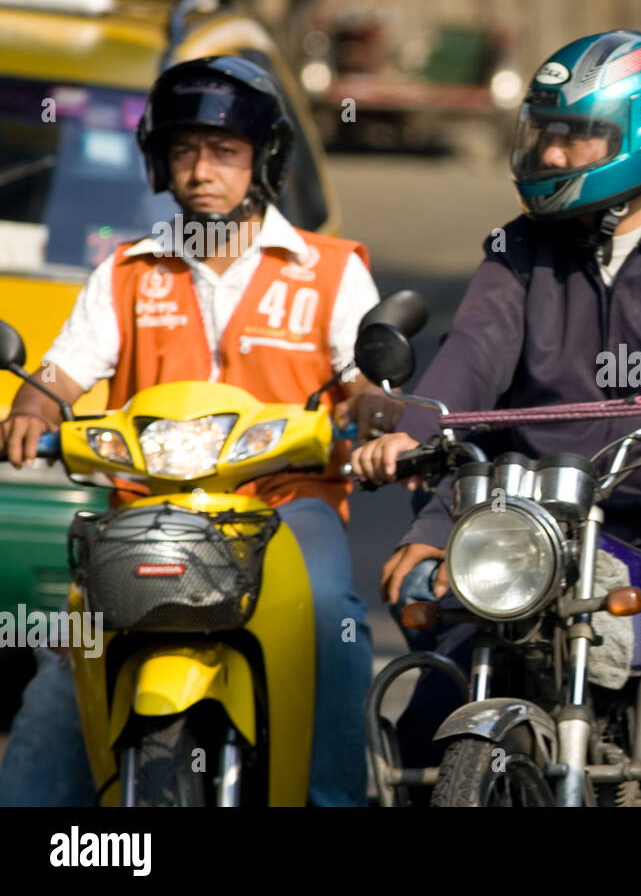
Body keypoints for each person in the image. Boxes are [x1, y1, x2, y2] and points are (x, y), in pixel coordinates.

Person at [350, 30, 641, 801]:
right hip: (545, 516)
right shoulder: (520, 248)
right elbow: (467, 364)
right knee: (444, 655)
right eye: (548, 135)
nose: (555, 156)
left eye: (580, 137)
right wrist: (409, 435)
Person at [0, 56, 382, 806]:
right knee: (63, 663)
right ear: (160, 162)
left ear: (263, 160)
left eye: (224, 152)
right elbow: (61, 373)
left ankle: (337, 798)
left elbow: (367, 380)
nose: (201, 171)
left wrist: (377, 414)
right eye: (183, 151)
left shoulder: (330, 271)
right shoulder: (128, 272)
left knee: (333, 619)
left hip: (285, 507)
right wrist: (32, 410)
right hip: (147, 515)